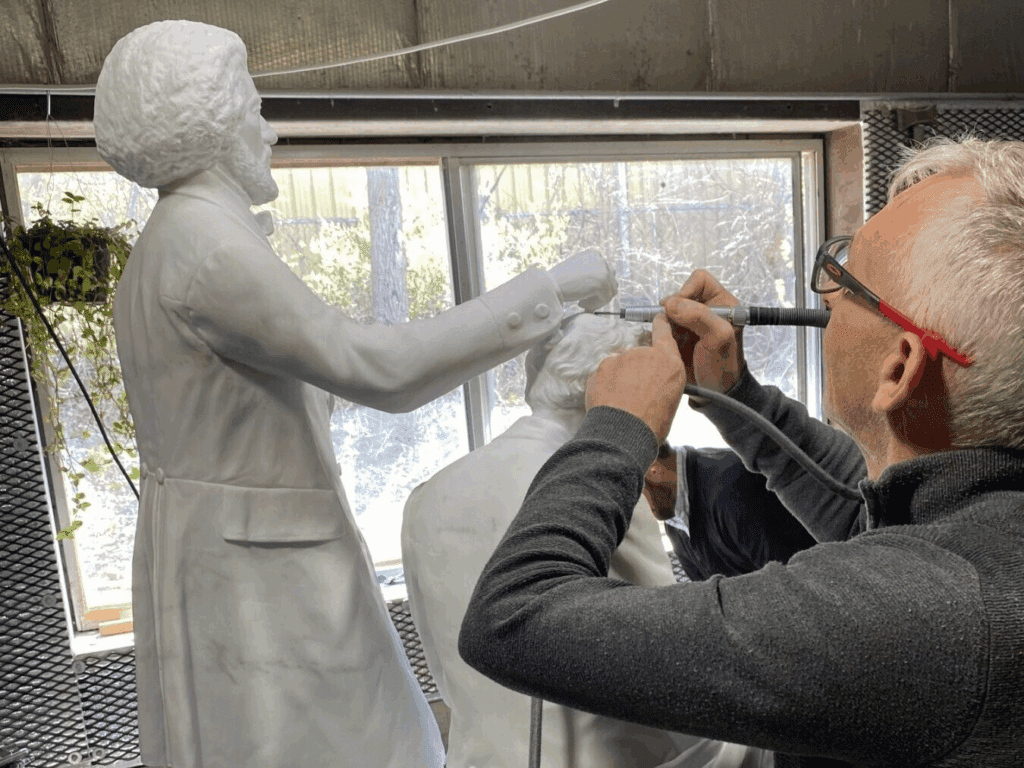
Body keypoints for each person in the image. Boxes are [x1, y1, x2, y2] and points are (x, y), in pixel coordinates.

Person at [94, 20, 616, 768]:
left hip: (239, 547)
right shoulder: (206, 249)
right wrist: (551, 289)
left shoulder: (176, 244)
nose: (268, 129)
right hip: (262, 576)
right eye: (252, 105)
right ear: (206, 123)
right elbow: (380, 368)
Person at [459, 135, 1024, 767]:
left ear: (898, 370)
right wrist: (736, 393)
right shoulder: (979, 535)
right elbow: (858, 517)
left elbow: (514, 619)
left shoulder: (919, 621)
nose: (827, 296)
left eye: (848, 278)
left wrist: (617, 427)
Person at [402, 313, 768, 768]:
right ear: (621, 384)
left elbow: (441, 669)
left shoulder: (425, 496)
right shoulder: (603, 486)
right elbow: (663, 660)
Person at [643, 444, 815, 581]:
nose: (636, 504)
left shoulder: (731, 489)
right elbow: (708, 597)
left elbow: (791, 584)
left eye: (634, 489)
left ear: (653, 469)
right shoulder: (673, 516)